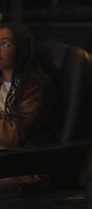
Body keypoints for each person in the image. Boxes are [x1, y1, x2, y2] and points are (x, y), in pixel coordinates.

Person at [0, 24, 57, 192]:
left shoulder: (33, 86)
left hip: (23, 168)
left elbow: (13, 136)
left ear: (21, 49)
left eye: (5, 44)